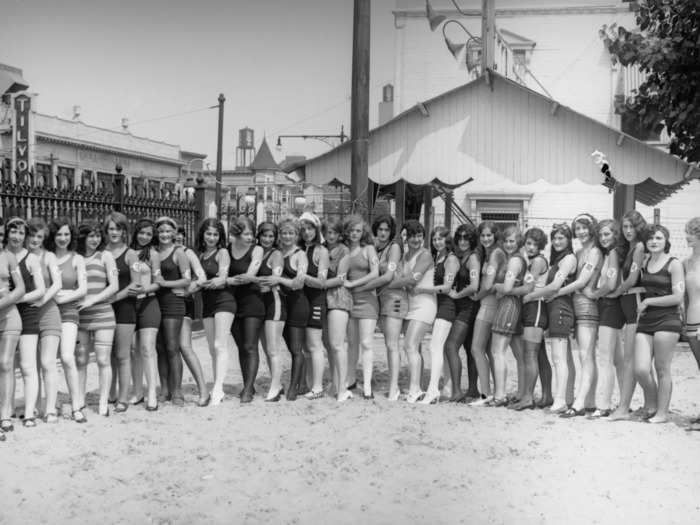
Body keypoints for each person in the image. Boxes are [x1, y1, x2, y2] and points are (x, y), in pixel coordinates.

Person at [524, 223, 577, 414]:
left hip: (561, 309)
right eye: (554, 238)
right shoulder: (558, 260)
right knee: (557, 357)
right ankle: (560, 397)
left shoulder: (569, 258)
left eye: (561, 237)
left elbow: (555, 285)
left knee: (559, 357)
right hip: (553, 308)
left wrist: (531, 296)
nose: (556, 241)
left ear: (569, 239)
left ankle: (560, 399)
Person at [634, 224, 684, 424]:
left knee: (662, 368)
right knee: (641, 369)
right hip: (647, 320)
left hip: (667, 319)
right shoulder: (645, 262)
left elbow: (678, 297)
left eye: (658, 238)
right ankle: (652, 404)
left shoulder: (674, 264)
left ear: (666, 241)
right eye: (650, 239)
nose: (654, 241)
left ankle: (662, 413)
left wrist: (648, 301)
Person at [557, 214, 602, 418]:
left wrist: (555, 292)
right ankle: (590, 401)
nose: (581, 232)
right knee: (585, 355)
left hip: (587, 307)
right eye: (578, 228)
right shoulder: (578, 251)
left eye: (584, 228)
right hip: (575, 304)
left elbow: (583, 281)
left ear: (592, 228)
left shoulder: (594, 252)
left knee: (586, 354)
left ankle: (580, 402)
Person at [260, 218, 307, 401]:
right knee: (281, 347)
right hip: (280, 303)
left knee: (296, 348)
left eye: (291, 233)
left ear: (296, 235)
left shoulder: (299, 254)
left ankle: (295, 386)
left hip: (297, 303)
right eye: (284, 233)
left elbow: (299, 283)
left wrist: (278, 280)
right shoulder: (277, 252)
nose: (287, 236)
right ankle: (297, 382)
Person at [5, 217, 46, 426]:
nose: (17, 237)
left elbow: (40, 290)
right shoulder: (3, 256)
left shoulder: (30, 259)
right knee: (6, 365)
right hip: (4, 315)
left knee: (28, 365)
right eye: (13, 232)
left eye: (21, 233)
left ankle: (29, 413)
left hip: (27, 314)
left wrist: (17, 298)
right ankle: (8, 408)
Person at [76, 220, 118, 417]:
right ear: (83, 237)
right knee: (81, 359)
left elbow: (114, 286)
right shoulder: (75, 257)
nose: (95, 240)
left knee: (102, 359)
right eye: (90, 236)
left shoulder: (106, 256)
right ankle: (80, 399)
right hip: (80, 314)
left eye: (97, 236)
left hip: (102, 313)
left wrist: (92, 300)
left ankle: (103, 402)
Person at [47, 218, 88, 423]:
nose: (63, 238)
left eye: (66, 234)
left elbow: (82, 289)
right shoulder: (47, 257)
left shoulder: (76, 258)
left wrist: (62, 296)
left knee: (67, 357)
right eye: (59, 234)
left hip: (69, 310)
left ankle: (76, 405)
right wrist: (54, 297)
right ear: (52, 236)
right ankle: (50, 405)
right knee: (47, 361)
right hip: (48, 311)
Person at [609, 210, 648, 421]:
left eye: (632, 226)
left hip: (634, 304)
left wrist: (615, 293)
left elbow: (633, 279)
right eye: (625, 227)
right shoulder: (629, 248)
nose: (628, 231)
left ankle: (624, 408)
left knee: (630, 360)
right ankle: (647, 404)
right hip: (626, 304)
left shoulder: (640, 247)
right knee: (631, 359)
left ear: (639, 227)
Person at [391, 220, 435, 403]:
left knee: (409, 345)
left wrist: (389, 285)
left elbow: (411, 279)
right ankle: (417, 386)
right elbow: (401, 275)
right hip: (410, 305)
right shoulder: (404, 255)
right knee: (415, 348)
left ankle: (415, 389)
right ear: (405, 237)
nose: (416, 239)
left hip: (424, 304)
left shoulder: (425, 255)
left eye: (419, 235)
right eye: (411, 235)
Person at [583, 219, 624, 418]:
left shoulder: (614, 253)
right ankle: (623, 404)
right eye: (600, 235)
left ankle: (605, 405)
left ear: (616, 234)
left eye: (607, 234)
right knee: (618, 359)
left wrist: (594, 294)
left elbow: (611, 283)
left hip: (609, 306)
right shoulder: (610, 254)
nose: (603, 238)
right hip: (610, 306)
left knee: (605, 358)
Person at [24, 218, 63, 423]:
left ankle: (50, 409)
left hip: (48, 312)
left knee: (48, 362)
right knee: (32, 366)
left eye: (40, 236)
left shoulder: (48, 257)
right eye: (32, 235)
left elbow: (57, 284)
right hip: (27, 315)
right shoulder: (20, 257)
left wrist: (42, 300)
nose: (35, 240)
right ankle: (36, 406)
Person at [363, 215, 405, 401]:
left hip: (394, 297)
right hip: (381, 298)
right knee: (389, 344)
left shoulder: (393, 248)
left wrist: (363, 287)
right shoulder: (375, 248)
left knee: (392, 344)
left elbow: (388, 276)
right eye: (380, 229)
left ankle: (394, 387)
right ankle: (392, 384)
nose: (382, 233)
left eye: (386, 230)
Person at [416, 226, 458, 404]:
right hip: (436, 304)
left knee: (435, 346)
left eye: (440, 238)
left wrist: (423, 289)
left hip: (447, 306)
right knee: (439, 346)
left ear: (448, 240)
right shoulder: (437, 257)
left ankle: (433, 390)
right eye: (434, 239)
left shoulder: (451, 259)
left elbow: (447, 288)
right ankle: (446, 388)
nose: (437, 242)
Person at [197, 218, 236, 405]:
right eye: (208, 233)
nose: (211, 237)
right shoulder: (201, 254)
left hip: (224, 301)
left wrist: (202, 283)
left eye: (215, 234)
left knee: (221, 345)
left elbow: (222, 278)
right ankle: (217, 384)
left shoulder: (222, 253)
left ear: (220, 236)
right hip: (207, 303)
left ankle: (218, 389)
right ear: (202, 235)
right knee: (213, 348)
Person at [155, 216, 192, 407]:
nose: (164, 235)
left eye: (168, 231)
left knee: (172, 347)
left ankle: (177, 390)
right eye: (161, 231)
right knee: (159, 348)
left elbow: (187, 279)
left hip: (173, 303)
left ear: (174, 233)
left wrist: (166, 284)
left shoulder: (179, 253)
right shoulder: (153, 252)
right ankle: (164, 388)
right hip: (155, 302)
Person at [227, 216, 264, 403]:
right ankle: (247, 382)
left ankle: (248, 389)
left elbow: (251, 274)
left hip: (252, 301)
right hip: (232, 301)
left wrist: (232, 279)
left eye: (252, 233)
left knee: (250, 346)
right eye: (246, 234)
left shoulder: (256, 250)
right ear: (237, 233)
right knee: (241, 346)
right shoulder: (227, 250)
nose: (250, 237)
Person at [511, 227, 550, 411]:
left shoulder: (538, 261)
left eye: (535, 244)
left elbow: (528, 289)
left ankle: (527, 398)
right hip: (530, 308)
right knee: (537, 355)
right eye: (528, 243)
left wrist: (506, 290)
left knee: (530, 355)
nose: (531, 247)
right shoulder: (531, 261)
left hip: (536, 307)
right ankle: (540, 395)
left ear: (541, 246)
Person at [469, 221, 506, 406]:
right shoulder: (490, 253)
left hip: (488, 306)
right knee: (490, 352)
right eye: (482, 235)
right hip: (490, 304)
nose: (485, 238)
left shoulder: (495, 254)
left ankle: (486, 394)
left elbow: (488, 284)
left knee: (476, 348)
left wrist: (476, 296)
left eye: (489, 235)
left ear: (495, 235)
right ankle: (495, 392)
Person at [104, 212, 138, 413]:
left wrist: (115, 298)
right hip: (104, 308)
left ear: (124, 231)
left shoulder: (130, 254)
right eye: (110, 229)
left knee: (123, 354)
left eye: (118, 228)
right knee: (108, 354)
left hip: (125, 307)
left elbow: (135, 282)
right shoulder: (102, 252)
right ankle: (111, 392)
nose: (114, 232)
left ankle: (124, 397)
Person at [490, 225, 527, 407]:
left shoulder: (514, 261)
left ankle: (500, 394)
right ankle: (521, 392)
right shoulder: (517, 258)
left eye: (512, 241)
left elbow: (506, 288)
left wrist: (496, 288)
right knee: (519, 354)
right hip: (514, 305)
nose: (508, 244)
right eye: (506, 241)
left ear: (519, 241)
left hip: (507, 306)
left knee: (498, 352)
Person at [343, 215, 380, 399]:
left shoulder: (369, 249)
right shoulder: (344, 250)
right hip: (349, 301)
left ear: (363, 231)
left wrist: (354, 284)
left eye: (358, 230)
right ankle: (350, 379)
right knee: (351, 344)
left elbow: (375, 273)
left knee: (366, 343)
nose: (354, 234)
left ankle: (367, 385)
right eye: (351, 231)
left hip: (367, 300)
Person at [444, 222, 481, 402]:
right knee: (468, 349)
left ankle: (458, 391)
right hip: (464, 307)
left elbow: (474, 286)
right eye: (460, 237)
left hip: (468, 308)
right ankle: (472, 390)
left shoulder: (472, 258)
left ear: (472, 239)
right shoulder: (462, 256)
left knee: (451, 346)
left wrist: (457, 295)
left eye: (467, 237)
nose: (463, 241)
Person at [173, 226, 210, 407]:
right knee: (169, 348)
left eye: (181, 234)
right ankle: (174, 390)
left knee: (184, 346)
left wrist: (189, 290)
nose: (178, 237)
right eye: (175, 234)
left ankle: (203, 389)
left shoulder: (188, 253)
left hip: (183, 302)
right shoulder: (161, 251)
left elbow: (202, 277)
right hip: (164, 304)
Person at [129, 218, 162, 411]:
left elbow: (159, 282)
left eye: (149, 234)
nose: (144, 236)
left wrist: (144, 289)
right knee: (134, 350)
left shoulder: (154, 255)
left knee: (148, 348)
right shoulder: (129, 252)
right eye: (141, 232)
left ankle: (151, 393)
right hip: (131, 304)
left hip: (149, 302)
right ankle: (138, 390)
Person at [323, 218, 353, 402]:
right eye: (327, 232)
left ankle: (343, 386)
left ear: (340, 234)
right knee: (329, 346)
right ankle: (335, 383)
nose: (330, 236)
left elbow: (340, 278)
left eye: (334, 232)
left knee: (337, 344)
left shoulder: (344, 250)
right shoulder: (322, 249)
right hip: (323, 298)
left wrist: (317, 283)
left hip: (338, 298)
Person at [0, 218, 25, 437]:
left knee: (6, 363)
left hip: (8, 316)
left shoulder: (8, 257)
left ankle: (5, 415)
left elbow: (20, 289)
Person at [300, 212, 329, 399]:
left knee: (315, 345)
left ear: (316, 230)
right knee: (304, 347)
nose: (306, 232)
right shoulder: (298, 249)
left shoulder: (322, 251)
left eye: (310, 228)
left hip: (315, 301)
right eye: (303, 229)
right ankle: (309, 383)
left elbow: (322, 282)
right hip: (299, 302)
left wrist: (303, 278)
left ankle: (318, 387)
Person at [255, 222, 286, 402]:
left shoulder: (276, 254)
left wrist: (253, 280)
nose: (267, 239)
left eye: (271, 236)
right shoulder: (257, 252)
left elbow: (274, 280)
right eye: (264, 236)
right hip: (260, 303)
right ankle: (278, 383)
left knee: (273, 349)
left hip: (274, 303)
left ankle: (275, 388)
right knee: (267, 349)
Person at [683, 217, 700, 430]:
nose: (687, 236)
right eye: (687, 231)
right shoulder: (686, 262)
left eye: (692, 232)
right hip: (691, 320)